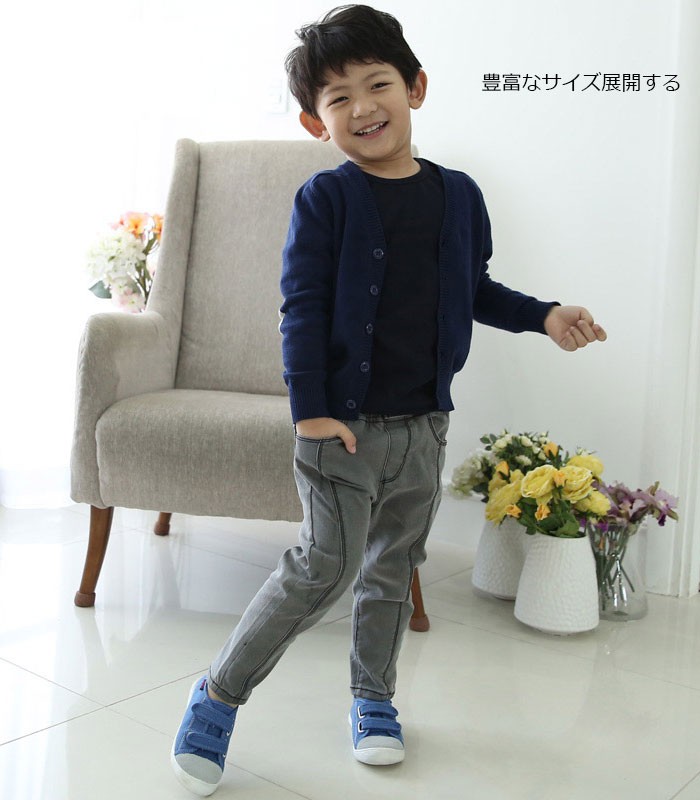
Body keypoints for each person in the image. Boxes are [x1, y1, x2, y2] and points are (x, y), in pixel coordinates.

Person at [171, 4, 607, 795]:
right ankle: (218, 694)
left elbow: (474, 287)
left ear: (416, 88)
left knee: (392, 569)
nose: (364, 107)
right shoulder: (326, 199)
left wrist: (543, 315)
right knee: (321, 568)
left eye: (378, 85)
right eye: (339, 97)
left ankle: (373, 699)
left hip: (424, 428)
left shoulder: (460, 195)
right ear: (316, 122)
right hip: (338, 430)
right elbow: (302, 307)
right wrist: (310, 410)